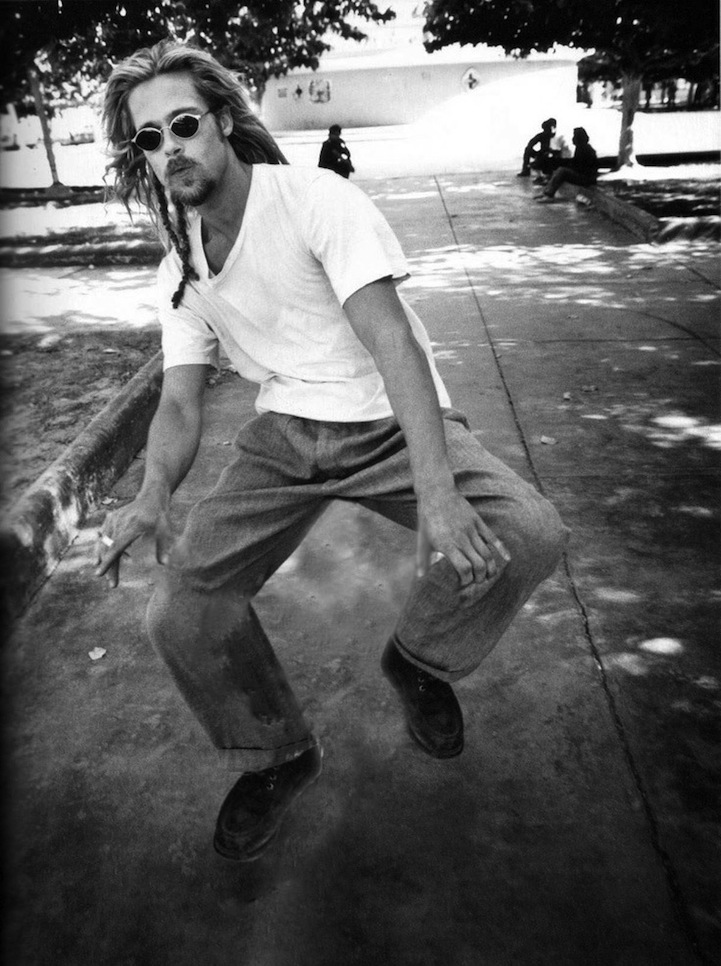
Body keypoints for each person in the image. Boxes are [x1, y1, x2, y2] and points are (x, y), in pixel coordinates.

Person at [98, 41, 568, 863]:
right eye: (150, 137)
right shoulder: (180, 270)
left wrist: (439, 491)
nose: (170, 147)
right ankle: (276, 753)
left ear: (223, 123)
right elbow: (178, 399)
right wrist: (152, 495)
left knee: (528, 532)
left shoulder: (315, 200)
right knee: (178, 608)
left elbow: (391, 342)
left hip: (386, 420)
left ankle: (419, 661)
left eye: (184, 124)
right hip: (285, 435)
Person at [535, 127, 598, 202]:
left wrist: (563, 164)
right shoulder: (582, 147)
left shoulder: (584, 149)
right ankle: (547, 192)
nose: (573, 139)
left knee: (562, 171)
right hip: (586, 176)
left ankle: (549, 194)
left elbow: (579, 166)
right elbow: (576, 162)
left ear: (579, 138)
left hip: (586, 179)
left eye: (574, 137)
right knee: (560, 170)